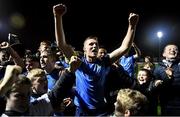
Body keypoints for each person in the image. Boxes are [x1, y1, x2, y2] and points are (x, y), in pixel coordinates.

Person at [53, 3, 139, 116]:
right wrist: (58, 17)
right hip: (81, 110)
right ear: (84, 49)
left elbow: (124, 48)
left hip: (100, 110)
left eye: (96, 45)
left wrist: (132, 26)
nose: (94, 46)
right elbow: (61, 44)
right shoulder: (78, 62)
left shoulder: (104, 61)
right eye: (91, 44)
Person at [0, 55, 81, 116]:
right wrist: (3, 86)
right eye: (19, 96)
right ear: (6, 95)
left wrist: (70, 70)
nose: (25, 100)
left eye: (28, 95)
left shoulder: (32, 110)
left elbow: (54, 94)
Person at [153, 44, 180, 115]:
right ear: (164, 54)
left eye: (175, 49)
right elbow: (154, 86)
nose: (173, 50)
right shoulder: (158, 68)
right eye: (170, 49)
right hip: (165, 104)